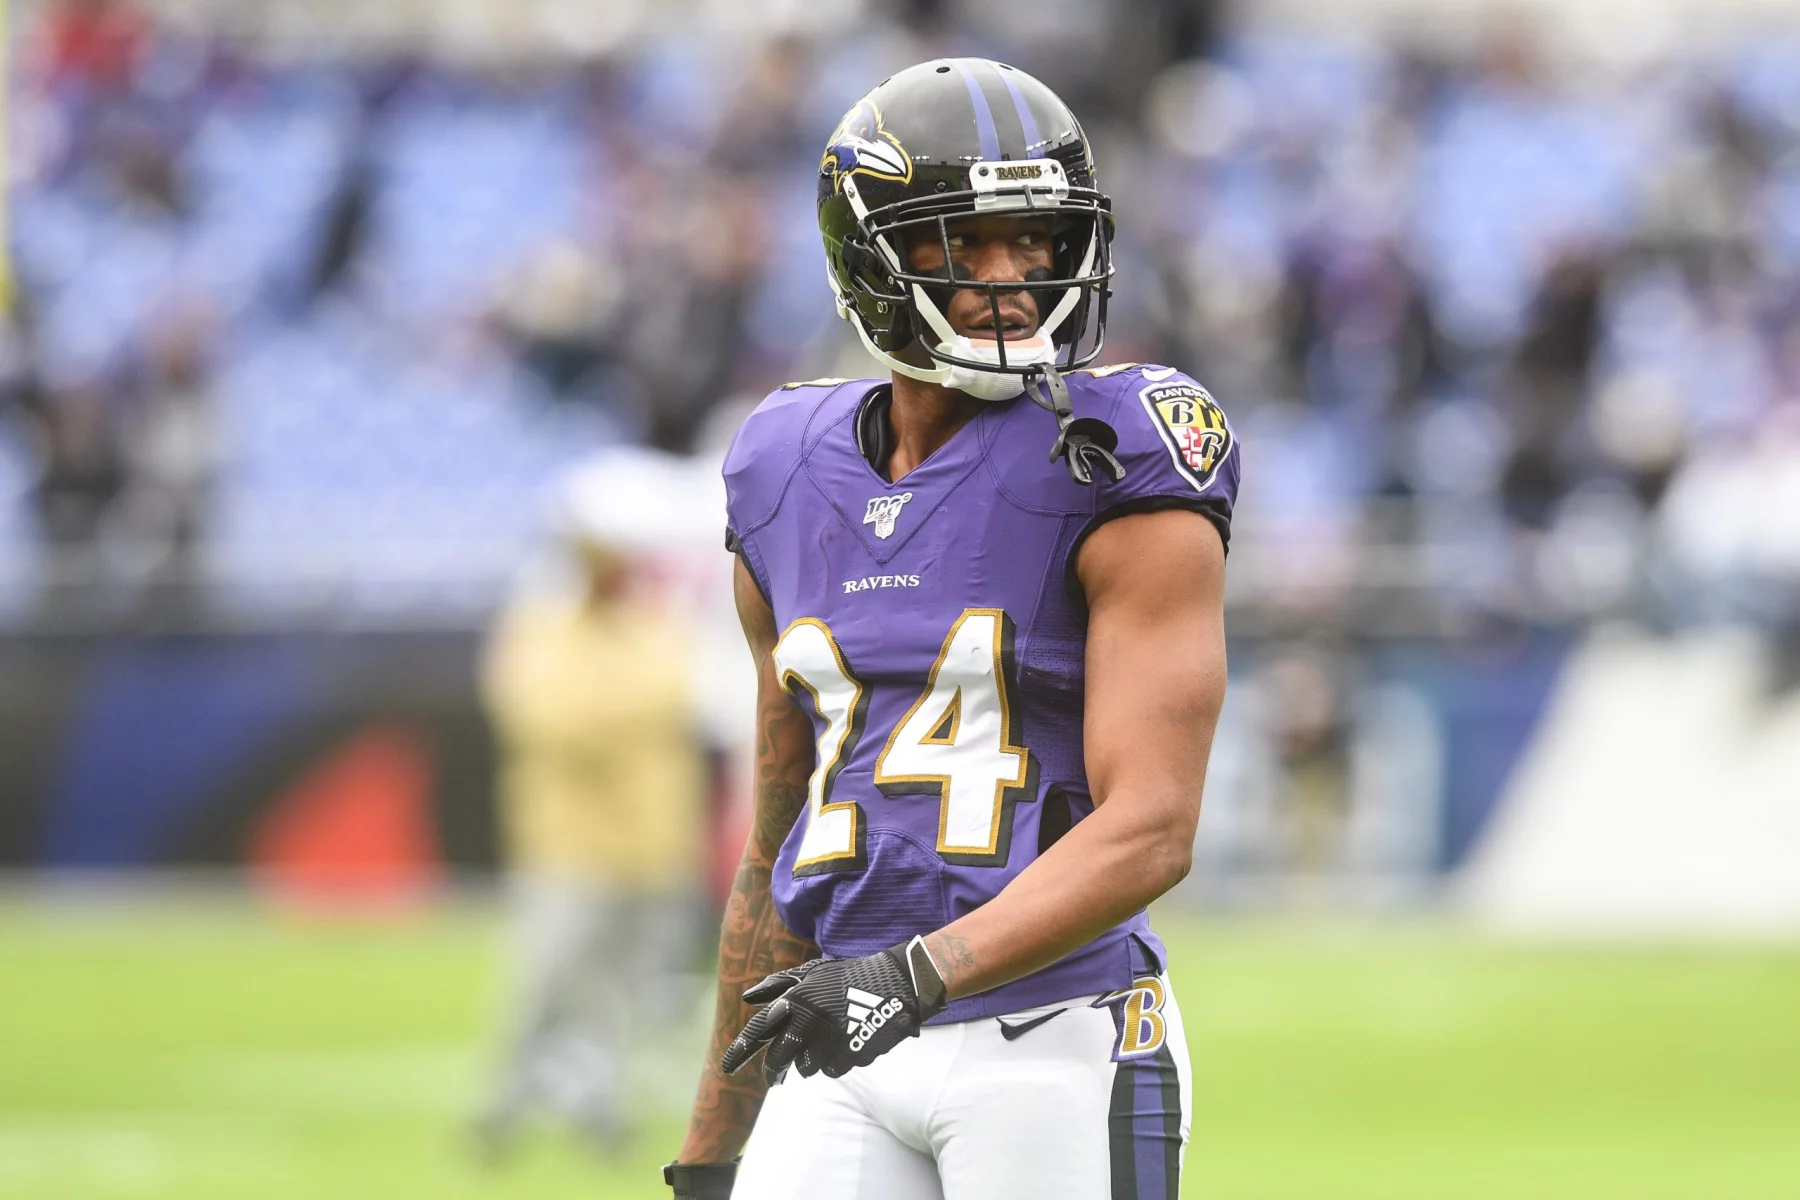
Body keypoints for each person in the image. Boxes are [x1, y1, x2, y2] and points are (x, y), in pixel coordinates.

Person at [665, 58, 1239, 1200]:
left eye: (1036, 241)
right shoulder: (780, 466)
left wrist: (911, 977)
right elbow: (780, 839)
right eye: (963, 242)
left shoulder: (1120, 455)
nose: (1012, 279)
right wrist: (710, 1151)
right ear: (868, 256)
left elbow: (1154, 829)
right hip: (837, 1038)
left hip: (1053, 1033)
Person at [475, 476, 704, 1157]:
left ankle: (602, 1108)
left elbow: (676, 695)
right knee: (544, 978)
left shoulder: (653, 624)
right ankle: (502, 1102)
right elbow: (546, 717)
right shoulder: (542, 625)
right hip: (568, 841)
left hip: (654, 838)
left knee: (629, 991)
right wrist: (625, 711)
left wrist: (609, 708)